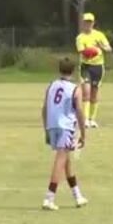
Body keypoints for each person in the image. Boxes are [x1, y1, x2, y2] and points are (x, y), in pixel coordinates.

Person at [42, 57, 88, 211]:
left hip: (52, 125)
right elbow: (80, 112)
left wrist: (46, 129)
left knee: (66, 161)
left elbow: (44, 108)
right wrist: (83, 133)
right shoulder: (75, 89)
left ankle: (77, 195)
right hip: (65, 127)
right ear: (73, 71)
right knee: (60, 160)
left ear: (59, 70)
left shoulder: (51, 85)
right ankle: (49, 197)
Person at [74, 12, 112, 128]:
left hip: (98, 67)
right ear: (83, 23)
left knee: (94, 93)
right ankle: (84, 120)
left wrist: (102, 48)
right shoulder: (80, 37)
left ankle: (92, 119)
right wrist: (91, 51)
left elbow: (109, 48)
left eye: (90, 22)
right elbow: (82, 52)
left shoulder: (99, 35)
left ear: (93, 23)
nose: (88, 24)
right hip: (86, 66)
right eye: (86, 22)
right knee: (86, 92)